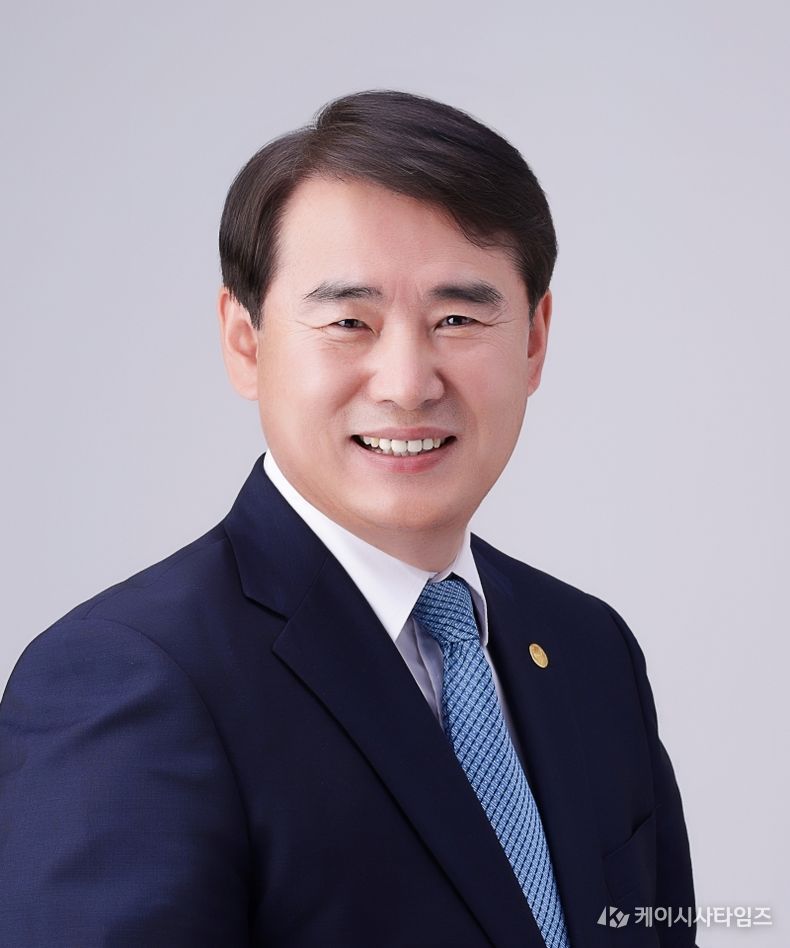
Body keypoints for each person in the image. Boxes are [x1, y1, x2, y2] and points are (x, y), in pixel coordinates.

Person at [0, 90, 696, 947]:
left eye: (457, 318)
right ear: (246, 342)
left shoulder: (590, 649)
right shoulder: (133, 680)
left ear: (534, 340)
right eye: (348, 321)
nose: (407, 384)